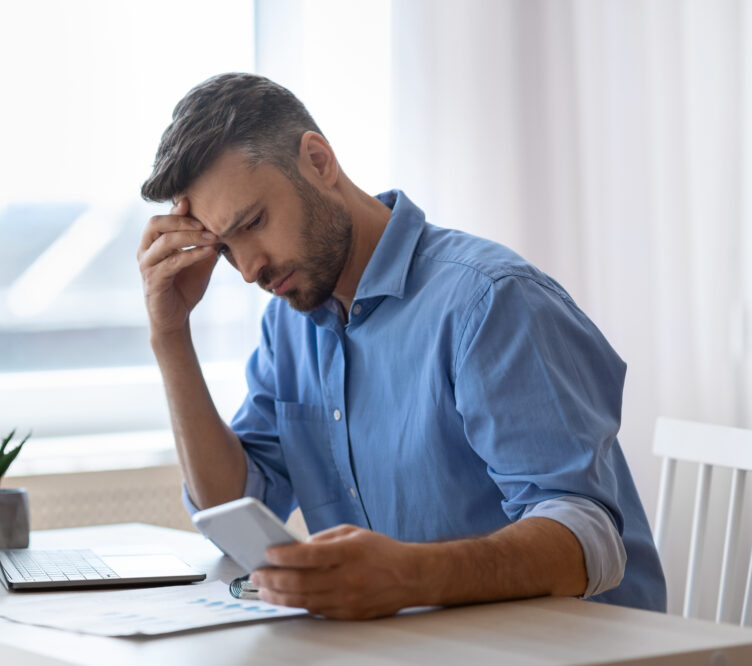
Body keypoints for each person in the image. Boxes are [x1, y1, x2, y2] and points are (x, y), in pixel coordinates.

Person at [136, 72, 666, 619]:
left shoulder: (490, 302)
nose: (249, 269)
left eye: (254, 223)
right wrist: (171, 335)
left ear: (318, 161)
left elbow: (592, 540)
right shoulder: (288, 327)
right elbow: (239, 512)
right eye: (225, 249)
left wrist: (410, 576)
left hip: (580, 648)